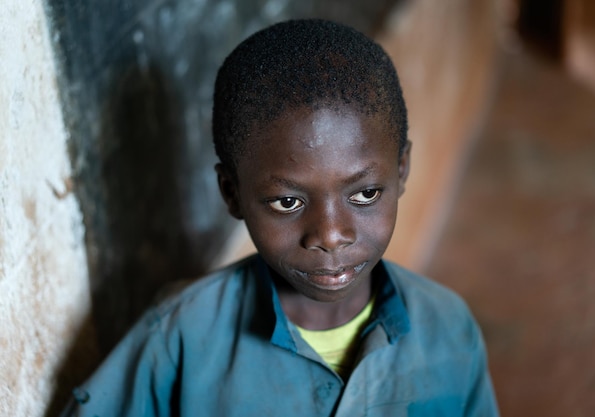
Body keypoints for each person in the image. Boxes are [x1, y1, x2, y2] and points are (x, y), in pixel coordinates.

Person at [62, 19, 499, 416]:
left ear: (401, 171)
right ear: (232, 194)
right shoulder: (180, 341)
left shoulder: (449, 331)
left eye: (365, 194)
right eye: (287, 203)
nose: (330, 234)